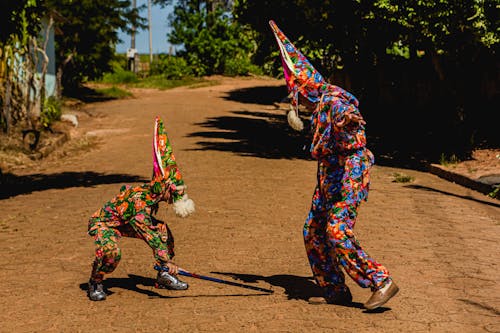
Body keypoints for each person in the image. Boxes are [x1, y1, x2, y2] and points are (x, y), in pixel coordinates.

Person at [269, 20, 399, 310]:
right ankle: (334, 289)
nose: (297, 102)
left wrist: (348, 122)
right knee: (313, 230)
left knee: (336, 231)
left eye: (297, 95)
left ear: (306, 89)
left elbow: (348, 115)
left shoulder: (333, 101)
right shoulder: (318, 107)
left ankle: (381, 281)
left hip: (349, 176)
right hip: (328, 178)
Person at [86, 116, 195, 301]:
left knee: (163, 231)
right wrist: (167, 261)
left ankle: (163, 275)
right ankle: (95, 281)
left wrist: (165, 262)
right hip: (105, 224)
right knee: (111, 253)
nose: (174, 198)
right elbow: (147, 234)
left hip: (124, 222)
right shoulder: (139, 203)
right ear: (164, 189)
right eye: (173, 193)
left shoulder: (152, 195)